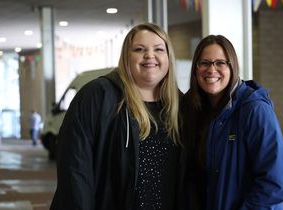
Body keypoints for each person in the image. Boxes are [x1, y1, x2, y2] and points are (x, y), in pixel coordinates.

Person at [50, 23, 183, 210]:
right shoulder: (98, 96)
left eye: (159, 49)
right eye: (139, 49)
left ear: (168, 57)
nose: (150, 55)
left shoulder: (181, 106)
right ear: (126, 57)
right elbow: (75, 169)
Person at [182, 35, 283, 210]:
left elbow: (273, 185)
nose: (211, 69)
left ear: (232, 67)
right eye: (204, 63)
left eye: (220, 63)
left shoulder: (255, 111)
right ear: (195, 69)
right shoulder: (193, 110)